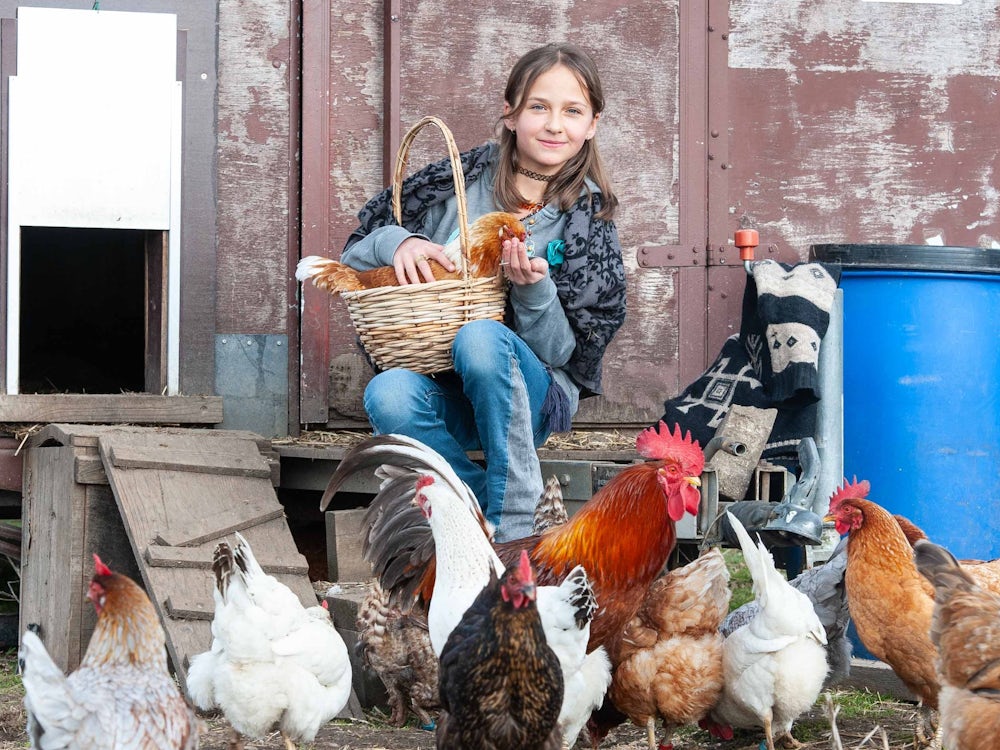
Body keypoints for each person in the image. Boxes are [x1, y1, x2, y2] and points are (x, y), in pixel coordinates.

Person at [340, 42, 626, 542]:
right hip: (450, 392)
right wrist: (399, 241)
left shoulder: (583, 223)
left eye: (572, 111)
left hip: (528, 399)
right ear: (510, 113)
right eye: (538, 106)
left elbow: (563, 353)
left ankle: (515, 524)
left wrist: (533, 291)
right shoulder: (456, 184)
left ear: (593, 124)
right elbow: (352, 257)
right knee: (387, 391)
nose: (555, 124)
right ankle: (470, 507)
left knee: (480, 337)